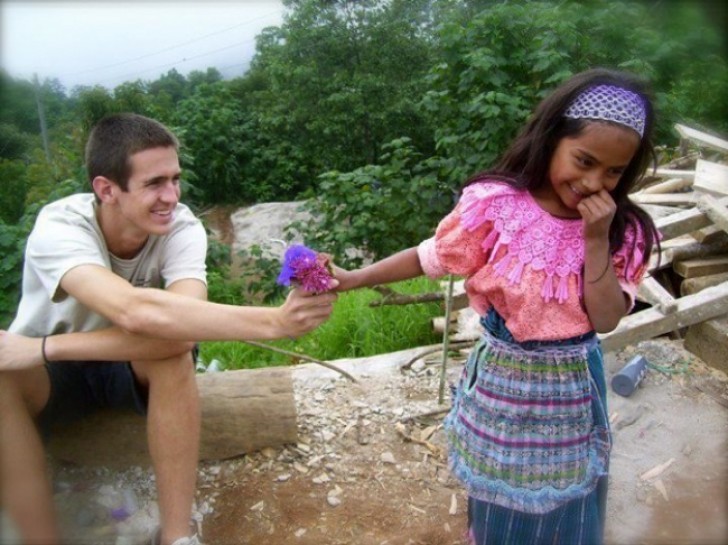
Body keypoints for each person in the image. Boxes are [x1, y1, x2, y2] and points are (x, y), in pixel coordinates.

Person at [331, 68, 660, 544]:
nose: (594, 183)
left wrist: (594, 240)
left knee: (568, 496)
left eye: (613, 172)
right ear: (552, 140)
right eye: (584, 161)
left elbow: (606, 319)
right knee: (499, 494)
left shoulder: (621, 230)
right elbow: (432, 256)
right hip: (503, 380)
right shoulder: (498, 207)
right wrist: (356, 278)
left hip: (572, 382)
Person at [0, 113, 337, 545]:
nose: (171, 196)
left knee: (174, 351)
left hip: (105, 360)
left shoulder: (181, 226)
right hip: (50, 377)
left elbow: (183, 325)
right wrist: (274, 322)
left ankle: (176, 537)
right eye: (154, 183)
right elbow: (131, 310)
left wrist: (43, 348)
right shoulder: (60, 227)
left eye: (175, 179)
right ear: (106, 189)